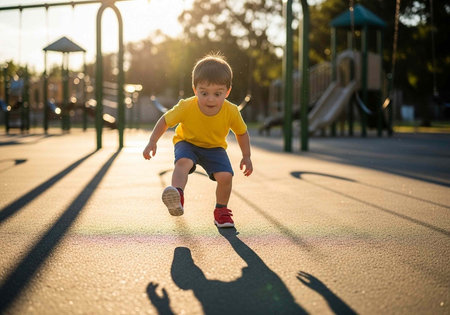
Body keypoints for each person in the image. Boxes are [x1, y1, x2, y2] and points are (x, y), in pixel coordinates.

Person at [143, 53, 253, 228]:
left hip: (215, 148)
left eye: (218, 93)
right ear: (195, 90)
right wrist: (152, 141)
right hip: (188, 143)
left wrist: (246, 156)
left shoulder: (231, 111)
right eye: (204, 92)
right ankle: (177, 196)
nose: (210, 98)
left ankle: (221, 212)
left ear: (228, 91)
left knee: (226, 177)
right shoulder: (186, 106)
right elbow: (165, 120)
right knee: (183, 162)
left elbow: (242, 132)